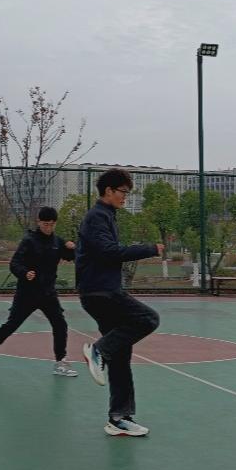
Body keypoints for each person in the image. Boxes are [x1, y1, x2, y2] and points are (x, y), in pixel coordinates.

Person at [77, 168, 163, 437]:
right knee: (148, 318)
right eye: (123, 192)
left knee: (121, 354)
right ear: (108, 191)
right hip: (101, 292)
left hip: (100, 291)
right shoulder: (97, 217)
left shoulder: (106, 216)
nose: (126, 197)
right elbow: (108, 252)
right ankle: (98, 351)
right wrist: (149, 249)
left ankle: (119, 418)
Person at [0, 206, 78, 377]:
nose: (48, 227)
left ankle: (60, 363)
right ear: (39, 222)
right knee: (12, 324)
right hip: (27, 294)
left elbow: (70, 256)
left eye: (52, 224)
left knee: (60, 325)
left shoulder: (57, 242)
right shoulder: (29, 241)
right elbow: (14, 263)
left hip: (48, 293)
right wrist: (24, 273)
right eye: (45, 224)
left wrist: (72, 248)